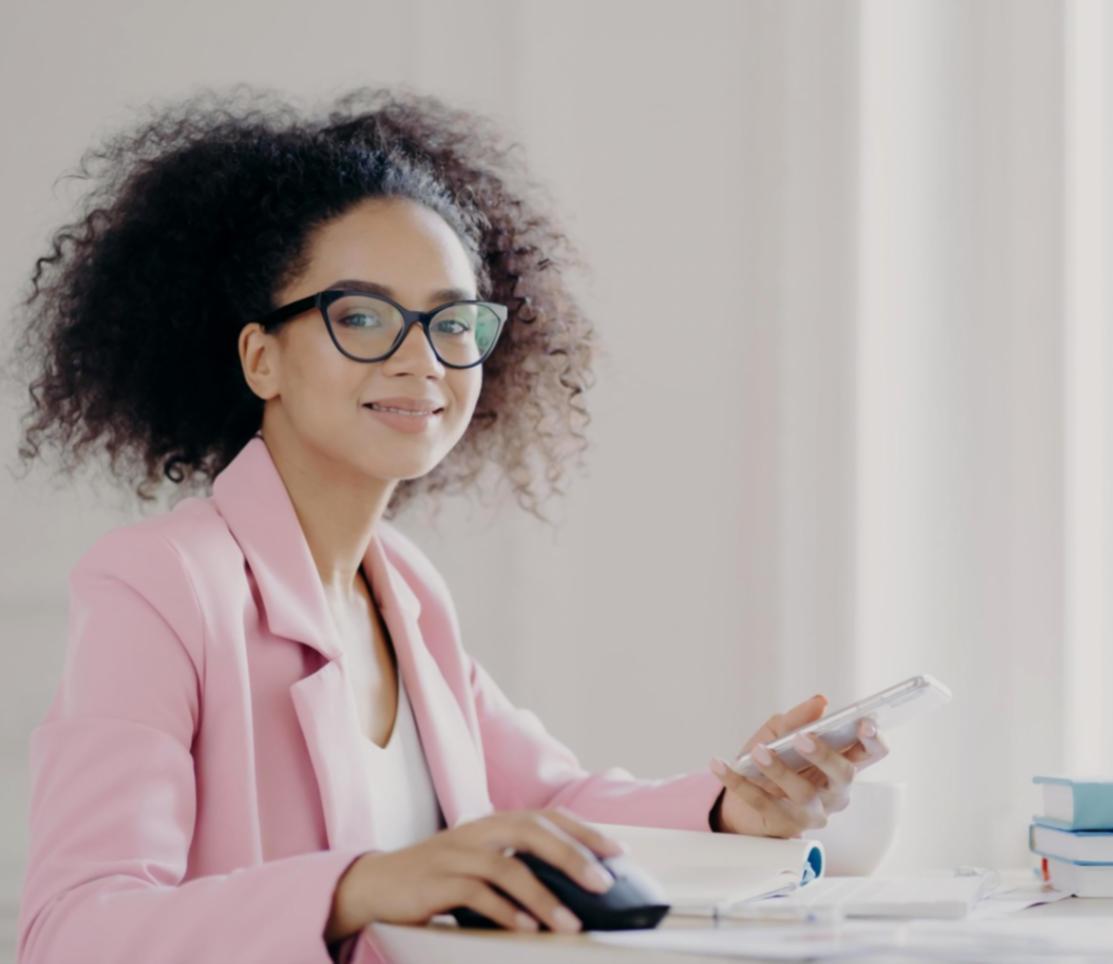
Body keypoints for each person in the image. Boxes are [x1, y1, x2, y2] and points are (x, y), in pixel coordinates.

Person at [9, 85, 888, 964]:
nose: (420, 357)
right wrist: (358, 886)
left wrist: (735, 804)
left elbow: (554, 800)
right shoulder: (160, 584)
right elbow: (72, 931)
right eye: (360, 315)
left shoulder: (405, 589)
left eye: (452, 321)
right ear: (260, 356)